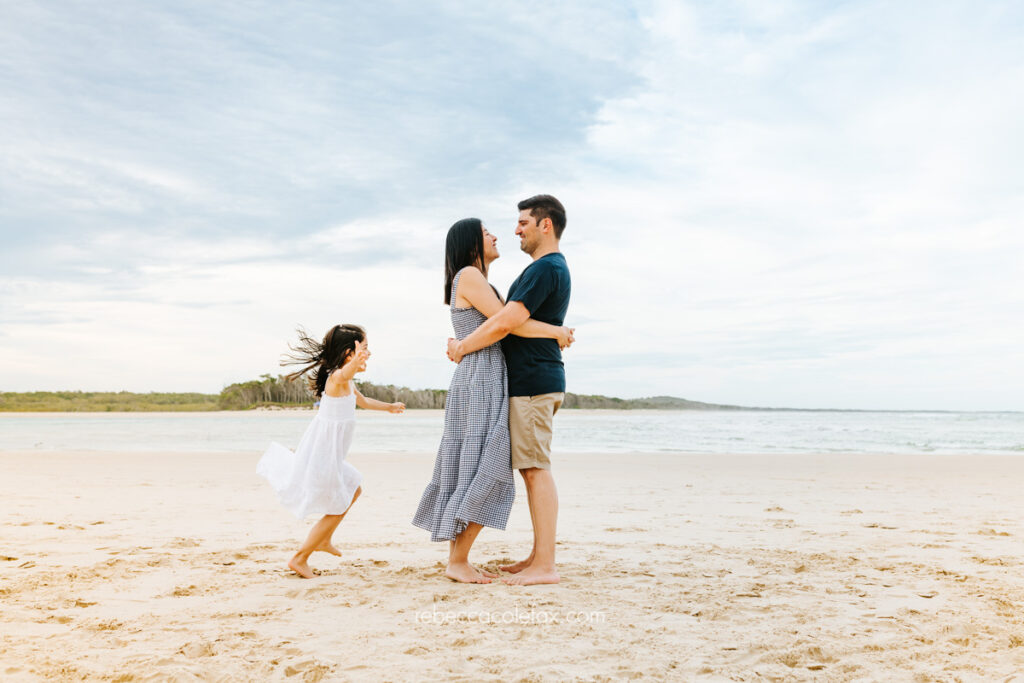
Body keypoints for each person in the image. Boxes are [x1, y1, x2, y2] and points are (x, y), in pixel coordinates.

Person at [414, 218, 573, 583]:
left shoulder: (474, 277)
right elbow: (509, 323)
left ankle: (458, 559)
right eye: (487, 232)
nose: (497, 235)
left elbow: (507, 321)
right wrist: (557, 331)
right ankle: (458, 560)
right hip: (481, 376)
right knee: (485, 464)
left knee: (475, 464)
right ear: (471, 242)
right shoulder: (470, 275)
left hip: (484, 375)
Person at [257, 325, 405, 578]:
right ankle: (300, 557)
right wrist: (355, 362)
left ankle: (323, 539)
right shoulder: (337, 378)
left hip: (329, 457)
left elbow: (365, 402)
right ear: (349, 353)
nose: (368, 354)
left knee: (354, 488)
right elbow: (343, 374)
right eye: (364, 349)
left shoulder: (349, 383)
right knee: (338, 504)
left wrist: (390, 406)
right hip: (322, 458)